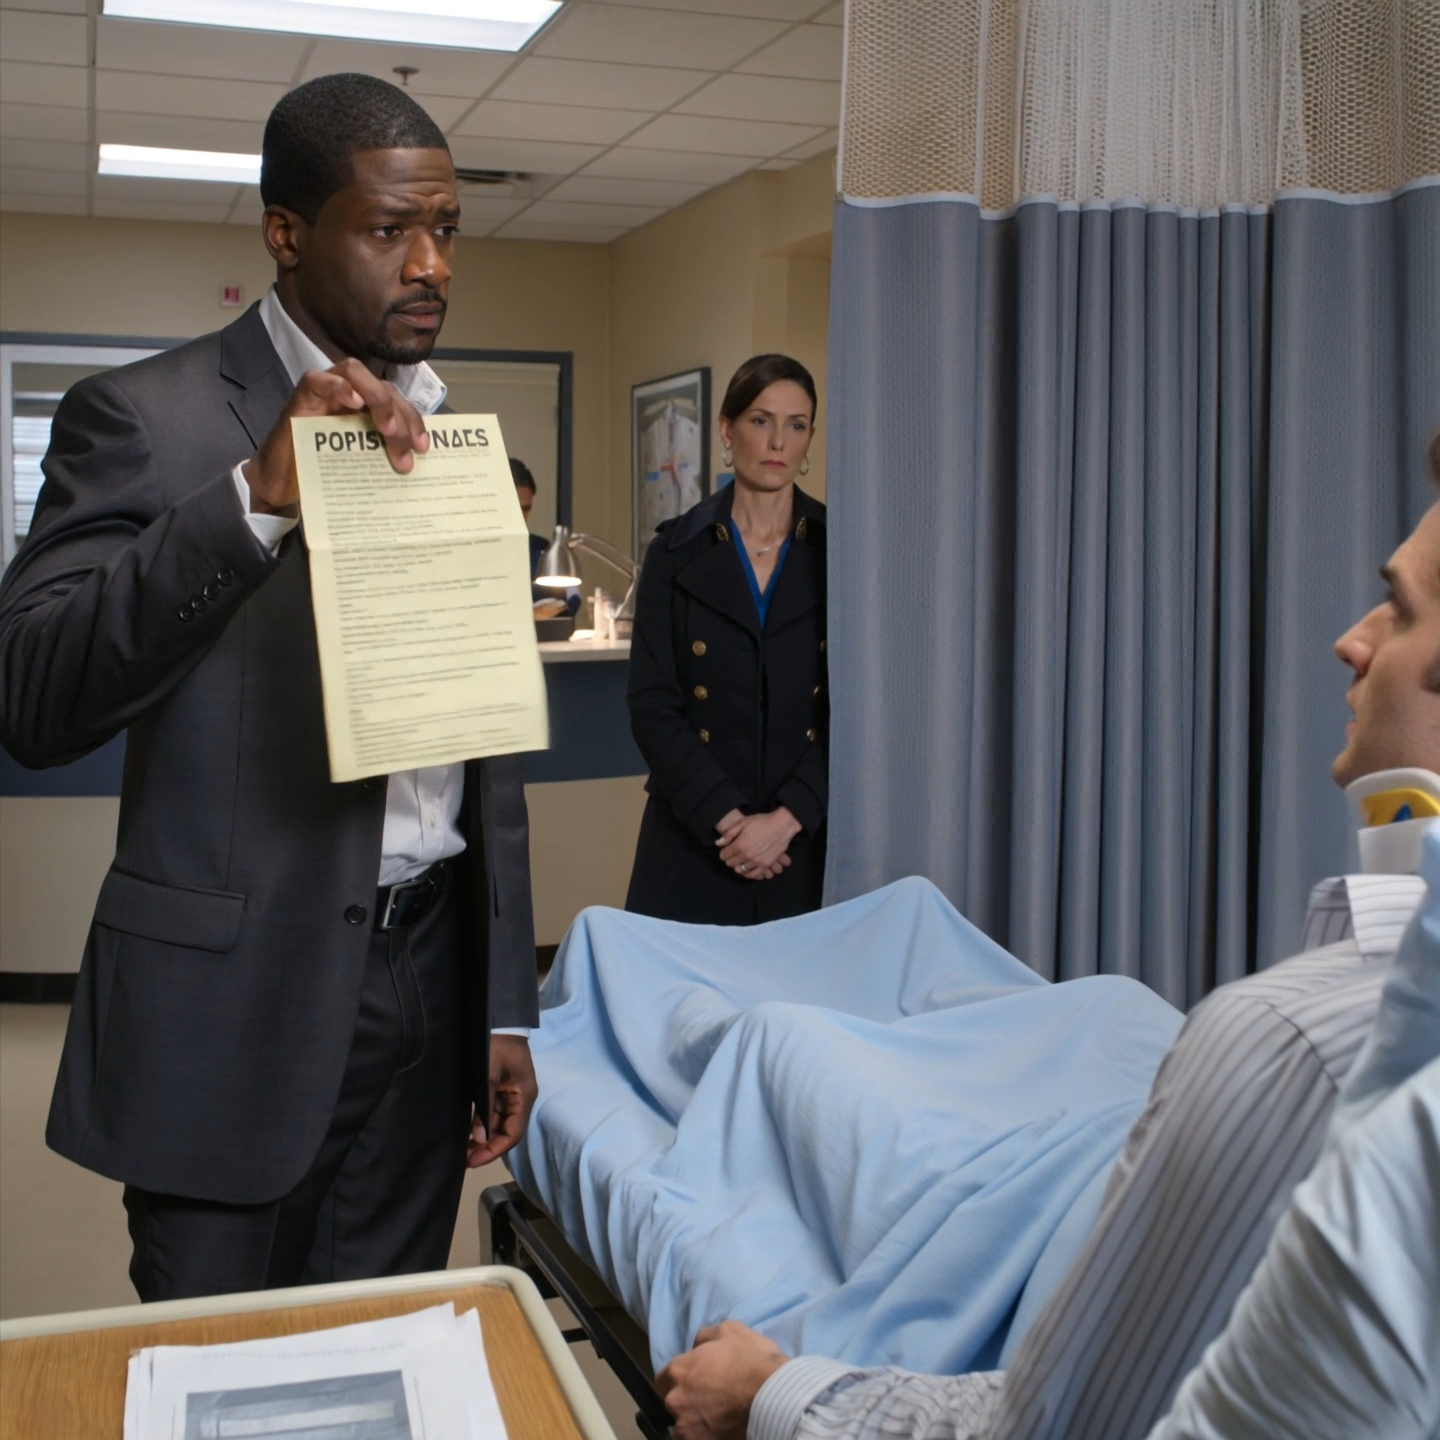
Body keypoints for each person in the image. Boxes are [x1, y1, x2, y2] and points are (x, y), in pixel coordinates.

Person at [654, 441, 1440, 1440]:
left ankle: (710, 1027)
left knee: (782, 1036)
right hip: (1094, 1071)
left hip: (1012, 1178)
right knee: (1089, 995)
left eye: (1400, 608)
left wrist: (769, 1392)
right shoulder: (1320, 1023)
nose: (1352, 638)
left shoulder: (1290, 1047)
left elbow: (1047, 1422)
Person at [0, 73, 539, 1302]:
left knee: (382, 1346)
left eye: (446, 230)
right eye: (390, 228)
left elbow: (478, 755)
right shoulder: (143, 418)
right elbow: (30, 698)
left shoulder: (450, 434)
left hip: (427, 990)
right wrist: (251, 502)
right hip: (233, 1006)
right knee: (219, 1361)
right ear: (286, 233)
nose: (431, 265)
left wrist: (505, 1002)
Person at [626, 354, 827, 924]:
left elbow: (860, 710)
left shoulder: (842, 551)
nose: (778, 442)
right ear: (726, 430)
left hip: (804, 839)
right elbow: (651, 705)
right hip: (696, 833)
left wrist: (786, 821)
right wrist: (731, 824)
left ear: (809, 440)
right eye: (761, 421)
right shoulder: (674, 552)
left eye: (796, 425)